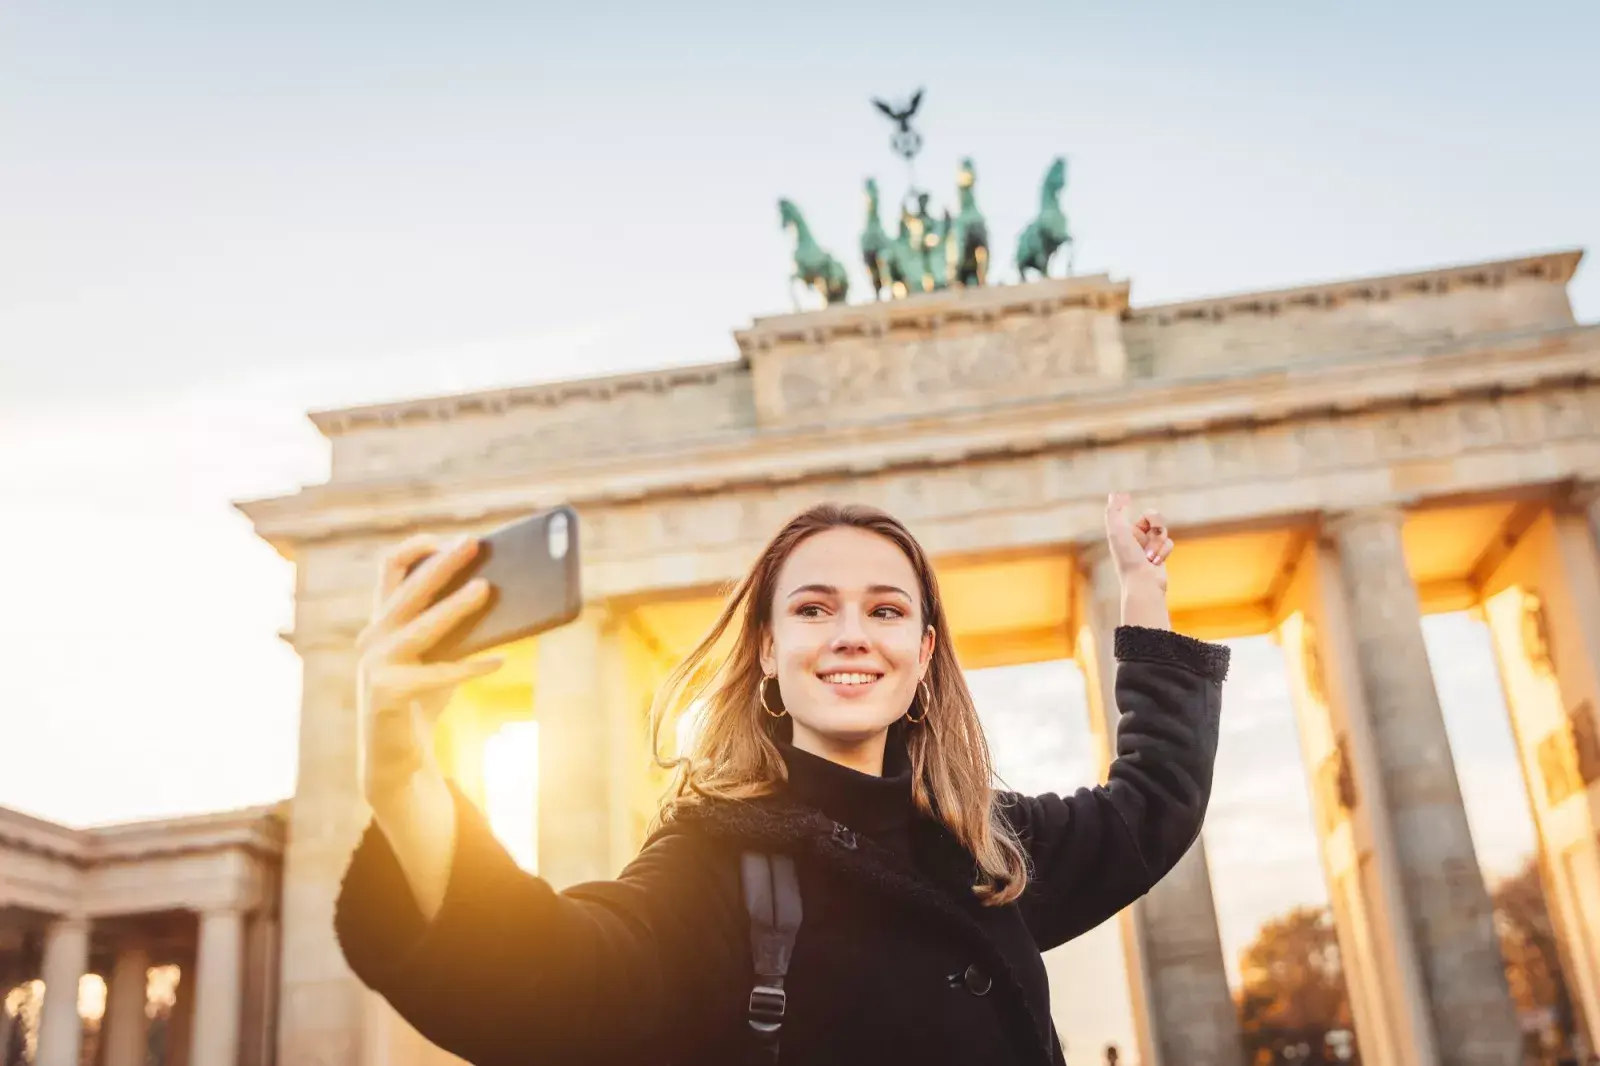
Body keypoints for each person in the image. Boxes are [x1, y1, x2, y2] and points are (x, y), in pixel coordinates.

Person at [334, 495, 1229, 1066]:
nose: (850, 634)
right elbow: (560, 979)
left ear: (921, 656)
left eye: (885, 610)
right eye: (812, 609)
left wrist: (1142, 598)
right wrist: (405, 775)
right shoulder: (712, 860)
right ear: (768, 649)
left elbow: (1150, 807)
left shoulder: (982, 848)